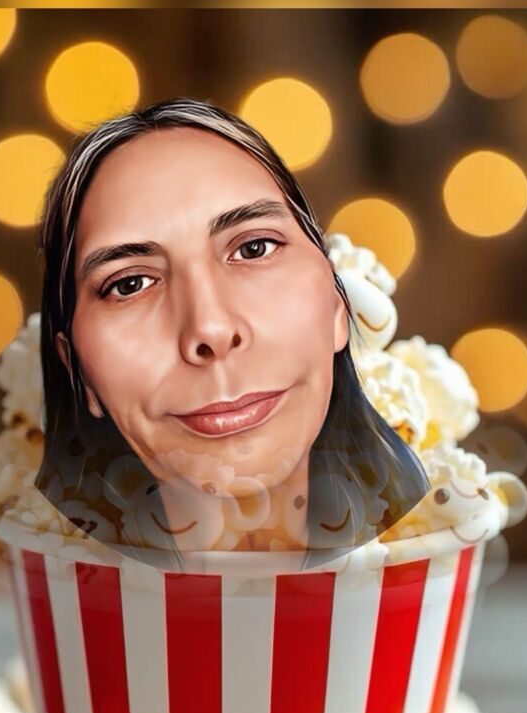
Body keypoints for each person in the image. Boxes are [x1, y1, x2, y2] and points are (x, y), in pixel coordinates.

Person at [35, 96, 429, 564]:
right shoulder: (36, 570)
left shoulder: (439, 531)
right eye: (130, 284)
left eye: (254, 248)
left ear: (337, 307)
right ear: (77, 368)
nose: (211, 329)